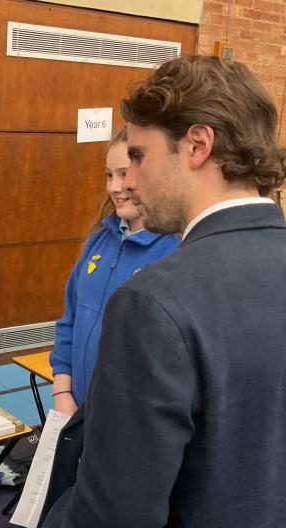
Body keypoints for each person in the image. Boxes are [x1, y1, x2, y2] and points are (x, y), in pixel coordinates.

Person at [10, 55, 286, 528]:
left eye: (139, 155)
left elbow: (118, 513)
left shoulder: (155, 302)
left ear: (196, 145)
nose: (130, 179)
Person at [49, 128, 179, 415]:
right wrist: (62, 391)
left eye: (124, 174)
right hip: (76, 410)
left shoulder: (174, 253)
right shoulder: (99, 241)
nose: (115, 187)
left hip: (127, 420)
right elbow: (69, 321)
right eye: (109, 175)